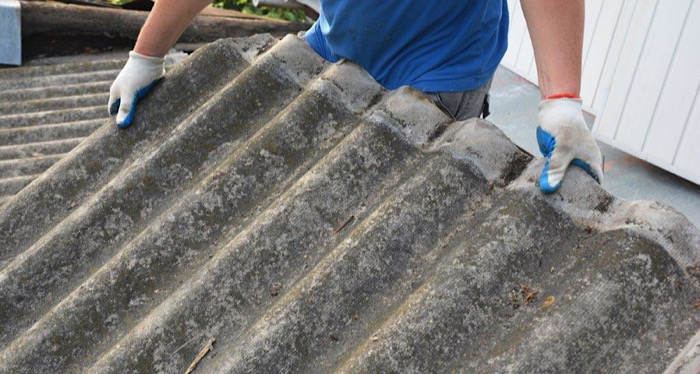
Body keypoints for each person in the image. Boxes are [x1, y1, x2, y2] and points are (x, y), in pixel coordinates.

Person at [108, 0, 603, 194]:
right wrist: (146, 56)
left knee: (395, 202)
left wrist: (561, 100)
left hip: (439, 65)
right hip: (341, 37)